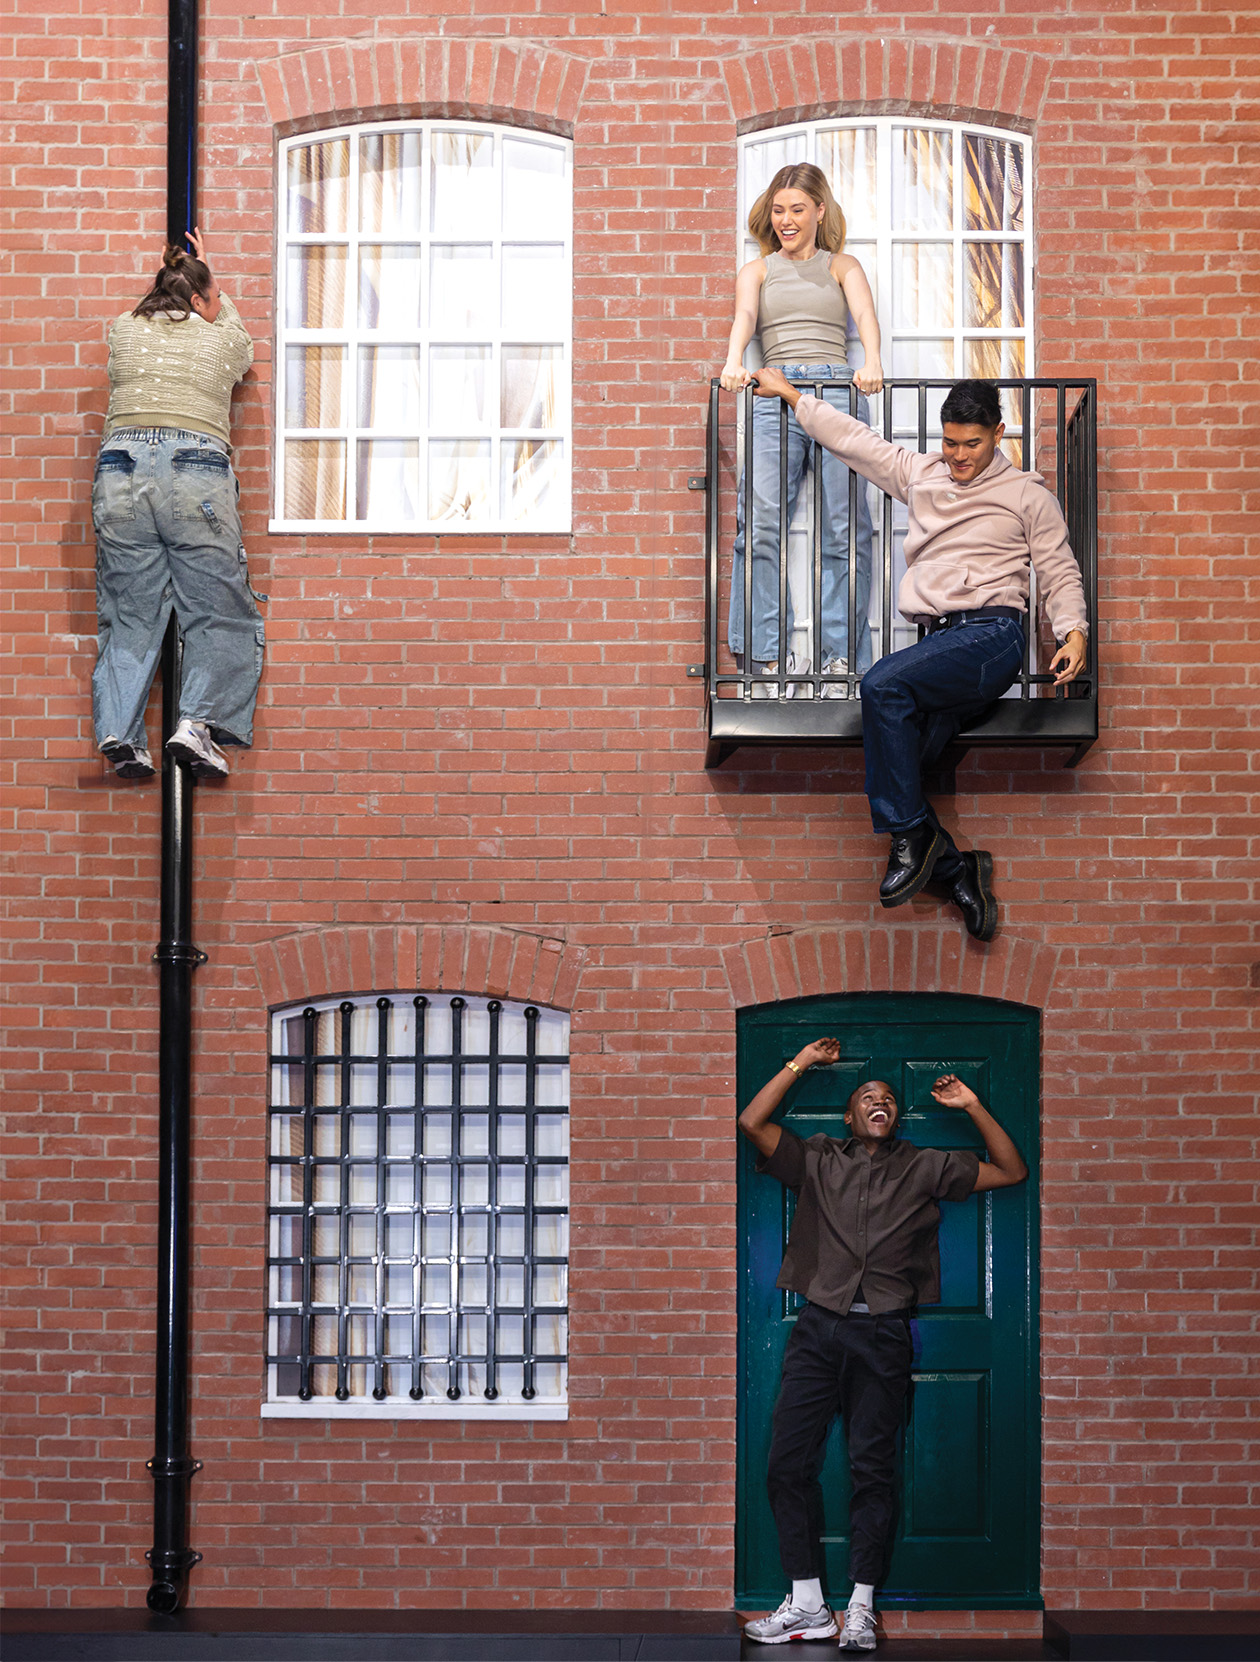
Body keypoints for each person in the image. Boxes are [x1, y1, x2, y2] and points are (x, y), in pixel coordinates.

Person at [747, 371, 1088, 938]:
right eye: (950, 442)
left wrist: (1073, 632)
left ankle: (909, 839)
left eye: (972, 444)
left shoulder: (1028, 495)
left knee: (881, 685)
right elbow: (856, 441)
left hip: (992, 637)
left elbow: (1059, 569)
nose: (959, 456)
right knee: (902, 763)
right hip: (939, 645)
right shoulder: (921, 474)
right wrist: (792, 396)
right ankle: (957, 872)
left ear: (998, 434)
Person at [738, 1036, 1027, 1652]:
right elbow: (751, 1123)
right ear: (850, 1117)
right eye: (869, 1096)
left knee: (873, 1470)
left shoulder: (926, 1165)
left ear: (896, 1117)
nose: (881, 1102)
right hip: (817, 1329)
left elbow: (1011, 1170)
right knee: (787, 1464)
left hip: (884, 1334)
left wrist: (972, 1106)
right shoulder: (818, 1158)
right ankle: (808, 1604)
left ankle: (861, 1608)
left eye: (890, 1099)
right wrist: (801, 1063)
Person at [91, 229, 262, 780]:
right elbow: (243, 348)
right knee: (217, 607)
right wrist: (216, 290)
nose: (215, 307)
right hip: (195, 468)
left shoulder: (123, 327)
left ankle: (119, 730)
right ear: (196, 299)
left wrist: (190, 279)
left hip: (119, 469)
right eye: (209, 298)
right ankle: (197, 726)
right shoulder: (216, 338)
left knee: (130, 611)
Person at [720, 164, 883, 700]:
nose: (786, 220)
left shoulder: (842, 265)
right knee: (761, 525)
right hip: (774, 390)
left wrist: (872, 361)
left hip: (836, 390)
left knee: (844, 530)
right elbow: (745, 317)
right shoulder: (757, 270)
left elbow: (865, 315)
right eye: (778, 210)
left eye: (797, 209)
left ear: (819, 211)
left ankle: (840, 661)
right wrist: (734, 361)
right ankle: (771, 658)